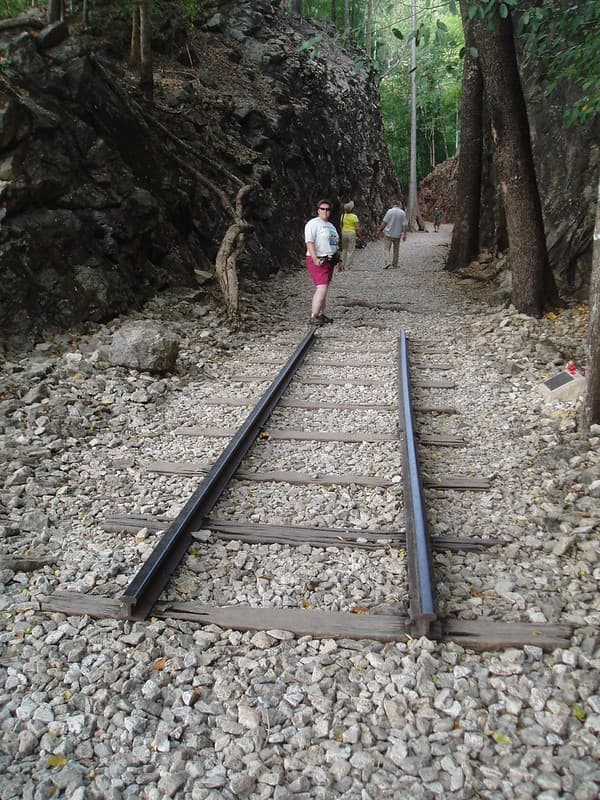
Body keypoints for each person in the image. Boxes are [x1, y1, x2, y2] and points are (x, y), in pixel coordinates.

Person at [304, 199, 343, 325]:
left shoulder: (331, 226)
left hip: (329, 260)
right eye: (322, 209)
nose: (325, 211)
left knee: (324, 288)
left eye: (327, 209)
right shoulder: (313, 224)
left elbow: (334, 244)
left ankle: (321, 313)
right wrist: (315, 258)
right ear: (318, 210)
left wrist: (339, 259)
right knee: (321, 288)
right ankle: (313, 316)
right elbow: (309, 242)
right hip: (318, 259)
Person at [377, 200, 408, 269]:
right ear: (399, 205)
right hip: (397, 234)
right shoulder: (402, 213)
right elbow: (404, 225)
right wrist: (405, 234)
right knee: (396, 249)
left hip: (388, 233)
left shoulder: (389, 211)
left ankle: (387, 262)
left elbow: (384, 222)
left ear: (393, 204)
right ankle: (395, 264)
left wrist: (379, 230)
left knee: (386, 249)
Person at [340, 200, 360, 270]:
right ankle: (348, 266)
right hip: (351, 233)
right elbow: (357, 227)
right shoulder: (354, 217)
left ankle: (342, 264)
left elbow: (341, 225)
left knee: (344, 249)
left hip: (344, 232)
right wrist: (359, 235)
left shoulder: (343, 216)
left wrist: (343, 230)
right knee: (350, 250)